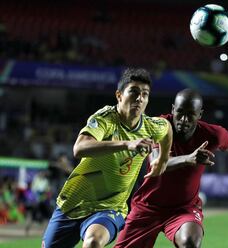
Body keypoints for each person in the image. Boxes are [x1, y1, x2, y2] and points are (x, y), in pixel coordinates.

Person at [42, 68, 173, 248]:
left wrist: (162, 161)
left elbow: (167, 128)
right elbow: (79, 148)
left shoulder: (152, 126)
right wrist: (127, 144)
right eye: (134, 92)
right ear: (119, 95)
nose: (139, 98)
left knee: (93, 242)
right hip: (72, 203)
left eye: (145, 94)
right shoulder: (106, 119)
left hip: (111, 207)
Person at [115, 88, 228, 248]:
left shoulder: (211, 134)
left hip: (184, 208)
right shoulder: (158, 126)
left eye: (191, 114)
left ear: (199, 115)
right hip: (147, 207)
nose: (184, 119)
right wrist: (189, 158)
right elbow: (157, 163)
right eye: (180, 112)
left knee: (189, 242)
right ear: (173, 109)